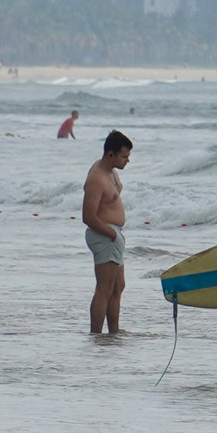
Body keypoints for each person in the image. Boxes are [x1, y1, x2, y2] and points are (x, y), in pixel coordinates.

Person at [81, 130, 133, 334]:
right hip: (104, 235)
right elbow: (88, 216)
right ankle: (96, 334)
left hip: (114, 234)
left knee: (118, 286)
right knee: (104, 288)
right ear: (110, 154)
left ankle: (114, 332)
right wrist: (111, 235)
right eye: (124, 156)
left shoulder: (111, 170)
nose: (127, 160)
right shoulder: (96, 178)